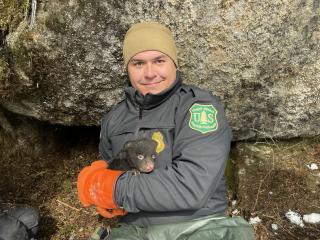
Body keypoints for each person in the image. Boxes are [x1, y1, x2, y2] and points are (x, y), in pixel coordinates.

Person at [77, 21, 254, 239]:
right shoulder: (113, 119)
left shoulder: (197, 107)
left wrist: (114, 189)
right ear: (127, 69)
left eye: (159, 61)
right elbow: (110, 171)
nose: (150, 73)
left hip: (197, 225)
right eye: (138, 63)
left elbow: (192, 186)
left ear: (174, 63)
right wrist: (101, 188)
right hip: (132, 229)